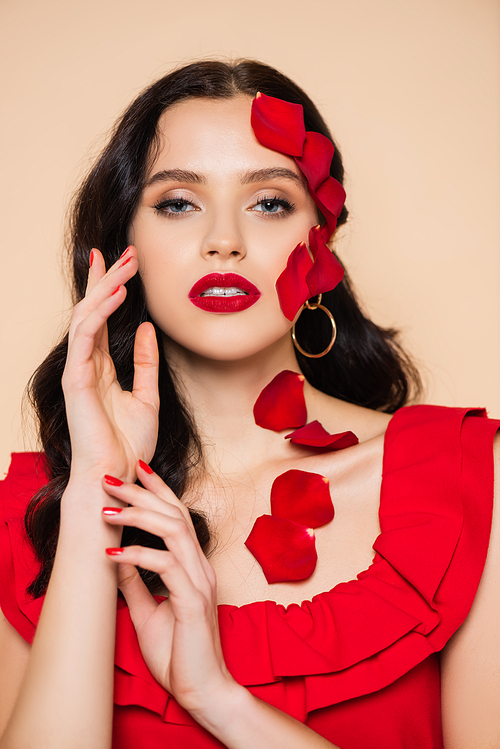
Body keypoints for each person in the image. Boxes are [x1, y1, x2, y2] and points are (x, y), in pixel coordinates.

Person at [0, 60, 498, 749]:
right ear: (125, 242)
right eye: (178, 202)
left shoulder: (468, 480)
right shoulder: (34, 511)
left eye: (269, 201)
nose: (224, 240)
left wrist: (220, 700)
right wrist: (93, 494)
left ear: (321, 239)